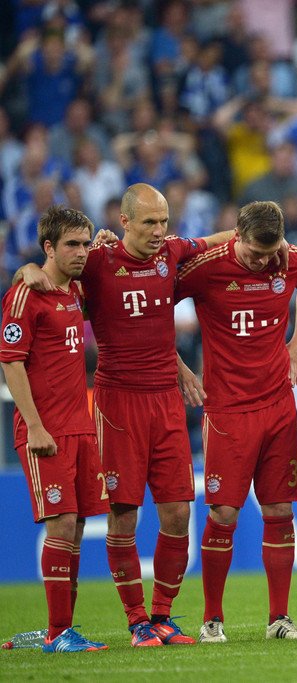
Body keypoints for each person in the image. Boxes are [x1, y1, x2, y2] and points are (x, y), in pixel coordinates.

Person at [16, 184, 240, 647]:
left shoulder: (171, 253)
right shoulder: (96, 262)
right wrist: (28, 269)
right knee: (123, 514)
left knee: (177, 511)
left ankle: (162, 617)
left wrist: (255, 234)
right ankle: (136, 622)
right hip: (116, 404)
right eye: (149, 222)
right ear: (124, 223)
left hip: (166, 402)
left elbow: (216, 240)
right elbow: (50, 270)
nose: (159, 231)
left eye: (164, 221)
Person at [175, 201, 297, 643]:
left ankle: (279, 618)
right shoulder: (205, 268)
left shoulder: (291, 260)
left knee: (280, 510)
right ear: (236, 235)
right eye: (255, 253)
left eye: (269, 253)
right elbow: (153, 309)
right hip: (227, 410)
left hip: (278, 404)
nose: (262, 262)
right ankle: (212, 620)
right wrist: (179, 367)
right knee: (223, 512)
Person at [0, 206, 109, 652]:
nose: (81, 252)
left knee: (76, 527)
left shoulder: (74, 291)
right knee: (61, 524)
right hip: (44, 431)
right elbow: (11, 361)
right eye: (71, 245)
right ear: (48, 247)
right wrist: (35, 426)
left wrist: (105, 245)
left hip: (80, 428)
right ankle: (59, 633)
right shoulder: (25, 295)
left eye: (85, 244)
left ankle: (56, 629)